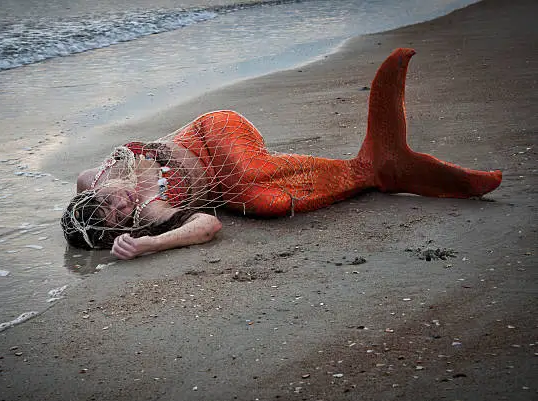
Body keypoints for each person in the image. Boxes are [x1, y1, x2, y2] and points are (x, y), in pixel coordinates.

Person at [61, 48, 502, 260]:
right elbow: (208, 224)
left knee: (252, 172)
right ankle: (377, 168)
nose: (120, 203)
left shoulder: (92, 180)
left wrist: (94, 204)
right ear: (124, 227)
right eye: (120, 216)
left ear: (93, 195)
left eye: (108, 201)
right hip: (217, 185)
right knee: (264, 202)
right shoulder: (150, 213)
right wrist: (148, 244)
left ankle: (375, 166)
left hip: (211, 132)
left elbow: (83, 187)